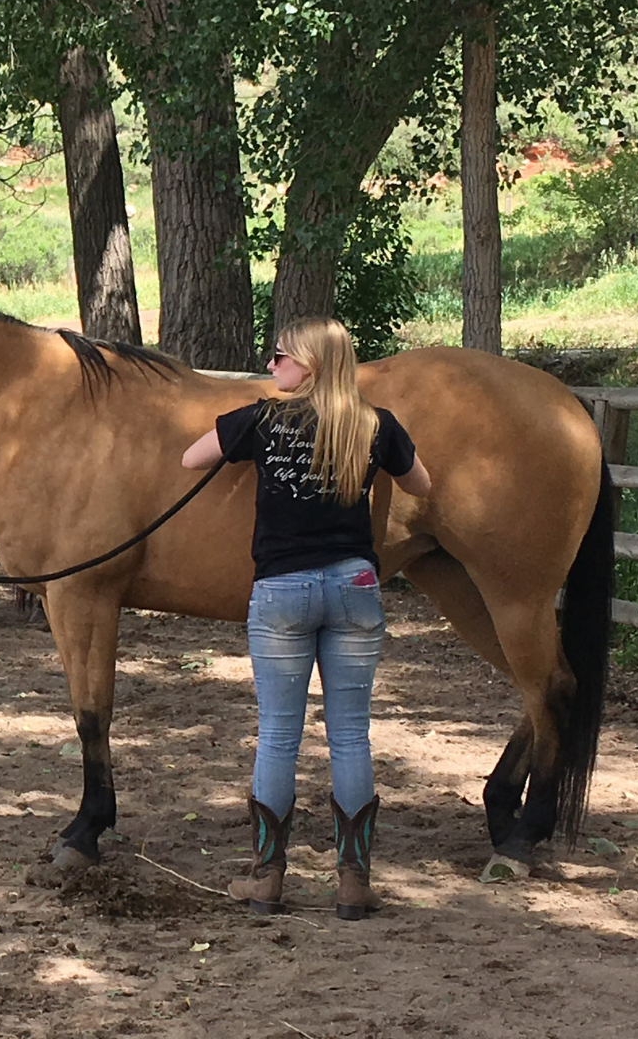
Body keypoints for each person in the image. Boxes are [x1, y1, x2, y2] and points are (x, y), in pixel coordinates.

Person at [181, 317, 432, 921]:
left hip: (282, 593)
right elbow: (422, 484)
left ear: (310, 365)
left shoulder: (264, 420)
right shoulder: (376, 425)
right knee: (349, 736)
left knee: (277, 736)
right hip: (355, 585)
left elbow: (192, 459)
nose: (271, 367)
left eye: (279, 358)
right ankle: (352, 884)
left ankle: (267, 880)